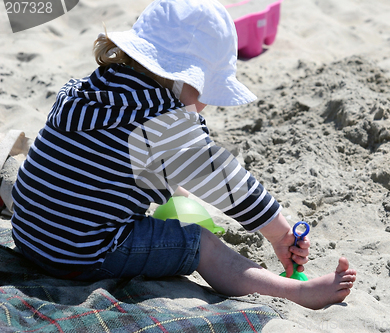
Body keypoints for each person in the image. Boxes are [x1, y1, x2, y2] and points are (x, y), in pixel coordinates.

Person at [10, 0, 356, 310]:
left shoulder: (95, 89)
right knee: (200, 243)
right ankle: (295, 292)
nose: (205, 104)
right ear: (184, 80)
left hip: (27, 232)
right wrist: (280, 234)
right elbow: (232, 185)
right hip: (78, 253)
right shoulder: (167, 124)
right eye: (207, 89)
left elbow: (120, 158)